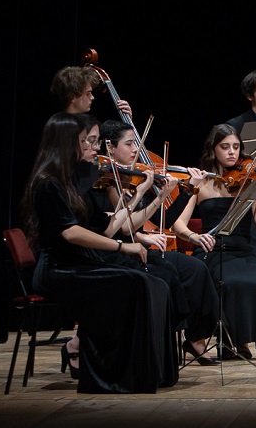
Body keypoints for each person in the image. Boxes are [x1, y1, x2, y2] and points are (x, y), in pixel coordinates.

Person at [23, 112, 177, 393]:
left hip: (80, 262)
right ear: (67, 143)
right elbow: (70, 233)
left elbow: (105, 229)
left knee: (156, 283)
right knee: (136, 282)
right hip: (58, 269)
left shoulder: (74, 180)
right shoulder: (48, 183)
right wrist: (124, 246)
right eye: (89, 141)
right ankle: (114, 373)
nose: (96, 147)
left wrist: (139, 195)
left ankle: (150, 372)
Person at [97, 120, 221, 366]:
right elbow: (122, 227)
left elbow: (165, 219)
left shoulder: (137, 176)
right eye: (129, 144)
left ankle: (196, 338)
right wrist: (145, 227)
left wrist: (186, 191)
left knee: (196, 269)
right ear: (110, 148)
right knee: (169, 272)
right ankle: (164, 340)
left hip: (138, 247)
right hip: (118, 252)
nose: (136, 149)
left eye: (136, 143)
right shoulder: (107, 180)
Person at [170, 123, 256, 360]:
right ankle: (227, 340)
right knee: (228, 282)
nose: (232, 152)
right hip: (213, 249)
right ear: (213, 150)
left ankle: (241, 340)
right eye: (225, 147)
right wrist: (195, 237)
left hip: (244, 248)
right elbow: (177, 223)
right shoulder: (203, 183)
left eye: (236, 147)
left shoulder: (251, 181)